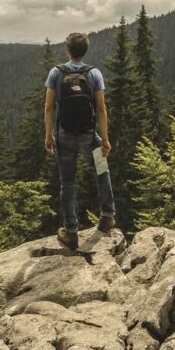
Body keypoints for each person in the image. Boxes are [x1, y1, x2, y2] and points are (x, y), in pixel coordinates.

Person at [44, 32, 116, 249]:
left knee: (67, 182)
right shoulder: (94, 74)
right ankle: (107, 217)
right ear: (85, 50)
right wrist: (105, 140)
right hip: (89, 135)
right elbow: (101, 108)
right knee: (102, 171)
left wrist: (48, 136)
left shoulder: (56, 73)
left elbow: (49, 107)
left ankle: (71, 231)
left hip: (65, 136)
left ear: (67, 50)